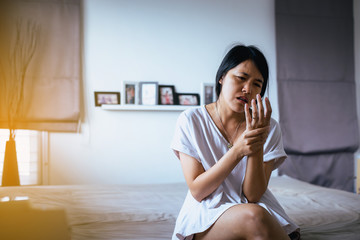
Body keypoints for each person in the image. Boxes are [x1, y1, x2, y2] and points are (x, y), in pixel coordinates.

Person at [171, 44, 300, 240]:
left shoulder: (269, 126)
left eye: (257, 84)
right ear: (222, 77)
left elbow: (253, 196)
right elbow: (198, 191)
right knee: (254, 218)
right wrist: (238, 151)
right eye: (241, 78)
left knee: (256, 215)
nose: (248, 89)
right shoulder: (191, 120)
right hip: (206, 211)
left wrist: (255, 143)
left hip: (253, 208)